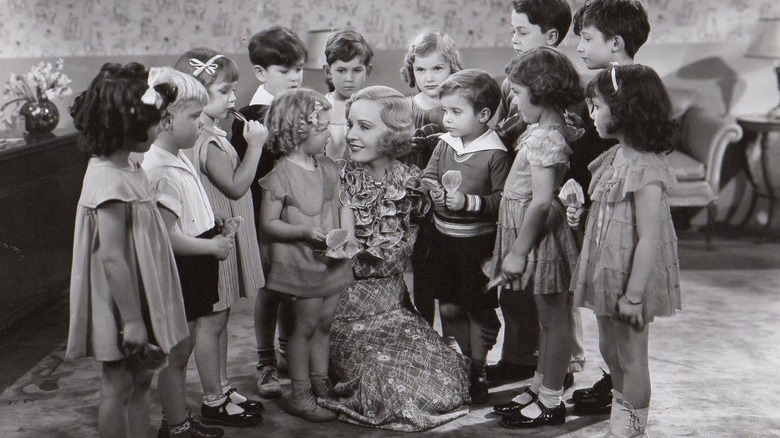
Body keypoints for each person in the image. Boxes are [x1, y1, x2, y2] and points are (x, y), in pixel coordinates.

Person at [317, 86, 471, 432]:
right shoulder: (332, 177)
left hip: (395, 309)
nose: (352, 136)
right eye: (351, 125)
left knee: (445, 377)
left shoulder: (414, 184)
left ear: (394, 133)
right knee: (387, 384)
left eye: (365, 127)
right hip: (342, 312)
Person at [66, 62, 189, 438]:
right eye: (154, 121)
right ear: (127, 127)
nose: (159, 127)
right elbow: (112, 256)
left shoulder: (129, 166)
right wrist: (133, 321)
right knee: (117, 385)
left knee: (141, 382)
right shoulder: (107, 176)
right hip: (121, 301)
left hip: (140, 289)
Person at [142, 68, 260, 436]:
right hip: (183, 264)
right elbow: (165, 235)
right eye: (193, 117)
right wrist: (210, 245)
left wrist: (214, 229)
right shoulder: (158, 166)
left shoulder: (176, 155)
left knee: (187, 345)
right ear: (165, 120)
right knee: (176, 355)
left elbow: (190, 208)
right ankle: (176, 426)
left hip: (196, 260)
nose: (199, 123)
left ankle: (177, 419)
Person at [570, 64, 681, 437]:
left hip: (631, 274)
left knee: (631, 356)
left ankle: (631, 426)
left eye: (597, 106)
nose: (592, 114)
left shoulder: (647, 168)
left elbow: (649, 237)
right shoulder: (615, 157)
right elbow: (605, 213)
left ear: (625, 110)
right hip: (608, 266)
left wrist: (634, 296)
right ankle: (620, 405)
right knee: (609, 347)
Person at [481, 48, 583, 429]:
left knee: (555, 321)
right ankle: (541, 386)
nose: (515, 102)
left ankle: (552, 399)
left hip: (541, 236)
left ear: (540, 94)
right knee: (546, 320)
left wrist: (518, 253)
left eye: (518, 94)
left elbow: (540, 203)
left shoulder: (546, 139)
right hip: (532, 231)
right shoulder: (541, 131)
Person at [569, 0, 652, 415]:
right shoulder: (599, 97)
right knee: (608, 334)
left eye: (586, 38)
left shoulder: (626, 101)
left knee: (627, 340)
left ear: (615, 43)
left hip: (622, 231)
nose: (579, 47)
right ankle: (617, 387)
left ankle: (629, 409)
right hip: (598, 222)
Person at [174, 48, 267, 419]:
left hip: (221, 236)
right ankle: (214, 399)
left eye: (233, 90)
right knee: (213, 320)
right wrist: (255, 146)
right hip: (214, 240)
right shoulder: (207, 140)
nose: (233, 98)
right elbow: (236, 187)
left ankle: (223, 389)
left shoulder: (209, 131)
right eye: (224, 91)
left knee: (221, 316)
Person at [258, 88, 355, 422]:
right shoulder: (281, 174)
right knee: (305, 326)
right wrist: (301, 231)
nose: (330, 133)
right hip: (301, 265)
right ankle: (300, 393)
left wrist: (349, 234)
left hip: (331, 261)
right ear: (299, 132)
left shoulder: (327, 165)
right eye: (323, 128)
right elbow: (268, 224)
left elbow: (343, 204)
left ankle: (320, 382)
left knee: (325, 323)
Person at [422, 69, 509, 404]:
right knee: (449, 307)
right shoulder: (445, 144)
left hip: (476, 246)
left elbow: (503, 199)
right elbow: (429, 175)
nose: (447, 119)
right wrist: (435, 192)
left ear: (483, 115)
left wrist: (468, 202)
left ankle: (478, 367)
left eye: (456, 112)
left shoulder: (494, 152)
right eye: (445, 111)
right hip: (445, 241)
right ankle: (460, 361)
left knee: (475, 307)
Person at [229, 25, 307, 399]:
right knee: (272, 290)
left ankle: (287, 352)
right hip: (264, 217)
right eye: (284, 70)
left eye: (298, 69)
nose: (294, 77)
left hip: (299, 216)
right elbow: (244, 173)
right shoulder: (248, 116)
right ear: (260, 73)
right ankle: (265, 361)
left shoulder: (305, 105)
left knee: (295, 285)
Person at [399, 28, 464, 327]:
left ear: (452, 67)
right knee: (421, 271)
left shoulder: (461, 108)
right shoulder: (405, 108)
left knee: (451, 273)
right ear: (411, 71)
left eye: (438, 68)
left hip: (452, 200)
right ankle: (426, 333)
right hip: (417, 201)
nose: (429, 77)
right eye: (420, 69)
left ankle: (451, 337)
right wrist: (404, 145)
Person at [321, 28, 373, 160]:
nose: (349, 78)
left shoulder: (374, 109)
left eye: (356, 70)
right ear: (328, 72)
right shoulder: (320, 109)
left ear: (367, 71)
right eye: (341, 70)